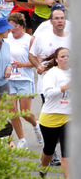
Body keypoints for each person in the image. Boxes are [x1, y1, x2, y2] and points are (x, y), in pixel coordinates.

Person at [4, 12, 42, 150]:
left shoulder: (29, 39)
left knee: (25, 113)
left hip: (25, 79)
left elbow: (36, 62)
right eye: (9, 26)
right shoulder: (6, 38)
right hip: (10, 79)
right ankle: (22, 140)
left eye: (13, 26)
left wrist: (22, 64)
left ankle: (36, 125)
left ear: (21, 26)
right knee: (13, 111)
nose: (11, 29)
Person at [37, 47, 70, 178]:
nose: (66, 58)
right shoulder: (52, 74)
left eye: (68, 56)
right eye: (62, 56)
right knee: (49, 149)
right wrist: (65, 87)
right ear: (56, 59)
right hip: (50, 117)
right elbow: (48, 94)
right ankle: (43, 168)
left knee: (67, 154)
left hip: (68, 117)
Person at [29, 7, 71, 100]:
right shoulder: (42, 38)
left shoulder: (72, 38)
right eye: (56, 18)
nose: (60, 21)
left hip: (68, 83)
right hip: (47, 84)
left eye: (62, 18)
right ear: (51, 21)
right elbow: (31, 55)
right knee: (49, 112)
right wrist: (38, 66)